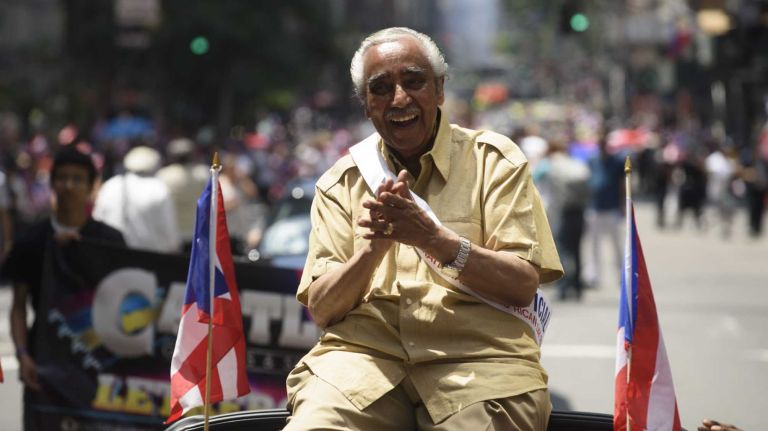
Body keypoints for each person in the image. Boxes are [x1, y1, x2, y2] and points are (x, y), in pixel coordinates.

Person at [284, 27, 562, 431]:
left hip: (480, 364)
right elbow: (323, 309)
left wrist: (433, 239)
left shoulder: (494, 162)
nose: (399, 99)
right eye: (381, 88)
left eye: (414, 82)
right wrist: (372, 249)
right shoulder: (340, 183)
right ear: (366, 106)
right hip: (361, 365)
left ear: (440, 90)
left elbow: (522, 284)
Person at [1, 147, 125, 430]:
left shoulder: (110, 241)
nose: (69, 186)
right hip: (43, 368)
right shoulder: (30, 241)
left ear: (92, 186)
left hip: (98, 368)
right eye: (63, 178)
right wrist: (22, 355)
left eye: (77, 179)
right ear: (53, 183)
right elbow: (18, 307)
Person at [93, 145, 181, 253]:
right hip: (150, 258)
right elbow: (170, 232)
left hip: (112, 255)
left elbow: (97, 219)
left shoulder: (110, 185)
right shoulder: (158, 188)